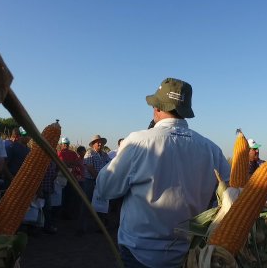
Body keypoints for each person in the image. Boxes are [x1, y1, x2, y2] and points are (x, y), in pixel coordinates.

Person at [97, 77, 231, 268]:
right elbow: (231, 196)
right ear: (185, 111)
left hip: (139, 251)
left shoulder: (138, 142)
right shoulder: (211, 149)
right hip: (189, 253)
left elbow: (106, 188)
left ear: (157, 108)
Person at [77, 135, 110, 235]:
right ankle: (82, 228)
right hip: (90, 181)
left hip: (101, 181)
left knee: (101, 204)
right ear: (93, 144)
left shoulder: (105, 155)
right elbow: (90, 168)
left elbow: (109, 166)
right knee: (87, 203)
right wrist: (99, 178)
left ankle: (101, 226)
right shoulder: (89, 153)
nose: (99, 144)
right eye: (97, 142)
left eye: (101, 142)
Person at [58, 137, 82, 220]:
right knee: (62, 197)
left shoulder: (73, 153)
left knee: (69, 197)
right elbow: (61, 163)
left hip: (71, 178)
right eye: (64, 144)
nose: (66, 145)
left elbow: (76, 163)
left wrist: (67, 164)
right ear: (61, 144)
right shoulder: (60, 153)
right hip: (61, 178)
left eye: (67, 144)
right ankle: (62, 213)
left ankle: (67, 214)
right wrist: (69, 164)